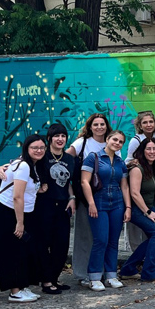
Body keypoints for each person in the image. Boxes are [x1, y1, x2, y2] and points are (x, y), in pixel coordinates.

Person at [0, 135, 47, 302]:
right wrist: (20, 223)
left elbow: (26, 188)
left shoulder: (33, 165)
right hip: (8, 211)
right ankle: (15, 291)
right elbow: (17, 196)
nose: (39, 150)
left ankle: (22, 287)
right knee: (12, 251)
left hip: (21, 211)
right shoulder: (23, 165)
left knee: (23, 250)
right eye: (34, 148)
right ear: (26, 149)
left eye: (41, 147)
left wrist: (39, 189)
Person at [81, 130, 131, 292]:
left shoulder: (120, 161)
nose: (117, 143)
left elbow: (124, 185)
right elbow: (84, 182)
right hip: (99, 203)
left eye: (121, 141)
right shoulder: (93, 157)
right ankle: (94, 276)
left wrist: (128, 207)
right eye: (114, 140)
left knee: (113, 240)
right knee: (100, 239)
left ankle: (111, 275)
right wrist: (91, 203)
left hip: (117, 204)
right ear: (107, 140)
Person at [65, 113, 111, 287]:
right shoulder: (81, 143)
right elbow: (64, 159)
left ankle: (102, 271)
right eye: (96, 124)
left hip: (106, 196)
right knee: (84, 235)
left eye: (102, 124)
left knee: (103, 236)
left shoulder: (111, 142)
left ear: (107, 126)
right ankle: (83, 273)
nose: (99, 127)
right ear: (90, 127)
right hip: (86, 195)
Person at [34, 124, 77, 293]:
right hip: (44, 205)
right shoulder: (41, 156)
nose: (60, 139)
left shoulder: (69, 159)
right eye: (56, 136)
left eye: (63, 136)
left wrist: (72, 197)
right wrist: (0, 168)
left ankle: (54, 278)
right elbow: (20, 166)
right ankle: (46, 282)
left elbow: (68, 183)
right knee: (44, 244)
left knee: (61, 245)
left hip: (63, 206)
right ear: (50, 138)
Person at [118, 137, 155, 282]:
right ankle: (149, 271)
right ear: (142, 151)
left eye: (154, 149)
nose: (152, 152)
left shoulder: (151, 167)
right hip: (136, 210)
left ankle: (128, 269)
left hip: (147, 208)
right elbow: (134, 193)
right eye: (148, 149)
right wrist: (148, 212)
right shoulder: (137, 169)